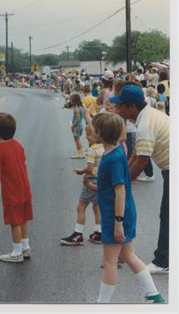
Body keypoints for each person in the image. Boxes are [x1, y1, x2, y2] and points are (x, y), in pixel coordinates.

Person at [87, 112, 165, 303]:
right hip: (125, 213)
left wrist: (117, 223)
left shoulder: (111, 159)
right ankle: (154, 295)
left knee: (109, 262)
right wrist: (91, 186)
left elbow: (119, 191)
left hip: (116, 216)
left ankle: (102, 304)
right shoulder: (117, 151)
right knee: (129, 255)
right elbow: (111, 188)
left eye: (94, 128)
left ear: (99, 134)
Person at [110, 84, 169, 275]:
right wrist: (123, 176)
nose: (118, 109)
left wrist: (123, 184)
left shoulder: (144, 124)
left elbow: (142, 160)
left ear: (132, 107)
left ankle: (163, 261)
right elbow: (136, 153)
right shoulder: (147, 114)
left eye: (121, 106)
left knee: (167, 215)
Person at [0, 113, 33, 263]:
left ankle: (16, 252)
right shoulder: (18, 145)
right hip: (24, 188)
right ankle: (26, 247)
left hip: (11, 192)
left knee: (15, 222)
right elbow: (25, 165)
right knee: (24, 219)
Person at [61, 125, 103, 246]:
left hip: (91, 180)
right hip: (100, 180)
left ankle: (78, 234)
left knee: (81, 206)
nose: (86, 136)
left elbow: (89, 169)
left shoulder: (92, 149)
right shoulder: (104, 148)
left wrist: (81, 171)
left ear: (96, 136)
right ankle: (98, 232)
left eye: (88, 134)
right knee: (97, 206)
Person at [70, 94, 85, 159]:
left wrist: (72, 126)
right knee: (78, 140)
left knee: (77, 140)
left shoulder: (76, 109)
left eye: (71, 99)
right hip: (80, 125)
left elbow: (78, 119)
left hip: (77, 126)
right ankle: (82, 153)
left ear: (74, 100)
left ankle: (79, 154)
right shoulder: (81, 107)